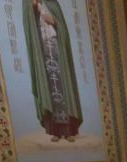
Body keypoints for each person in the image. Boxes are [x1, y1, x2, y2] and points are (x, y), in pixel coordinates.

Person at [24, 0, 83, 142]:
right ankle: (56, 131)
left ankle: (68, 131)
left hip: (58, 53)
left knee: (64, 89)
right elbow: (30, 27)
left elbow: (63, 31)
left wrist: (55, 22)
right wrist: (33, 7)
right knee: (49, 89)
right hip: (43, 52)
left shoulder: (53, 4)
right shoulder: (31, 4)